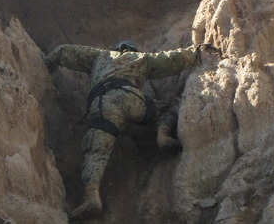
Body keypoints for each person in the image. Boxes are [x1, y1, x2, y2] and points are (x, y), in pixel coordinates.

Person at [44, 41, 207, 218]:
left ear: (116, 49)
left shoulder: (100, 56)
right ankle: (162, 133)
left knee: (96, 151)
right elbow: (170, 60)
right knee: (166, 107)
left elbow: (65, 52)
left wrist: (45, 65)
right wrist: (196, 52)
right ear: (133, 50)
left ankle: (92, 197)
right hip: (130, 96)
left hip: (103, 102)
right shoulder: (140, 58)